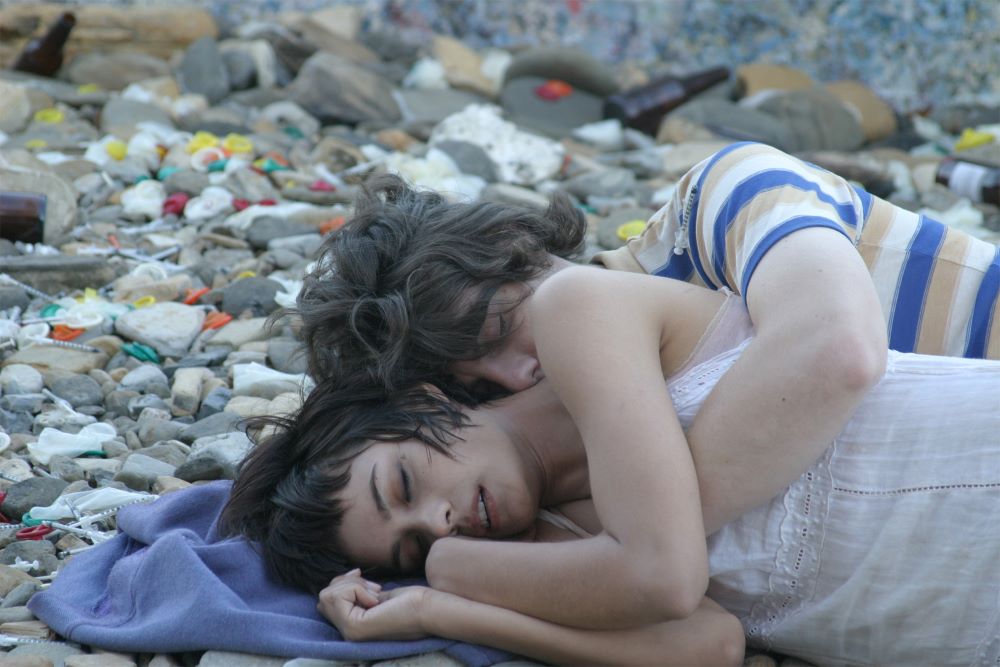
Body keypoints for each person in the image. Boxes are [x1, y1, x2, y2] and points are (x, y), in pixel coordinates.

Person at [224, 283, 1000, 666]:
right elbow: (709, 644)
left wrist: (450, 569)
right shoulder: (553, 548)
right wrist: (436, 607)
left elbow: (664, 578)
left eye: (403, 486)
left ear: (425, 398)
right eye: (412, 544)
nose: (441, 523)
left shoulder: (579, 316)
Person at [296, 142, 1000, 526]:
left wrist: (644, 541)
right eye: (478, 387)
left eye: (501, 327)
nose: (520, 376)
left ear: (509, 243)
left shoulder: (720, 195)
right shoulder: (611, 412)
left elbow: (837, 349)